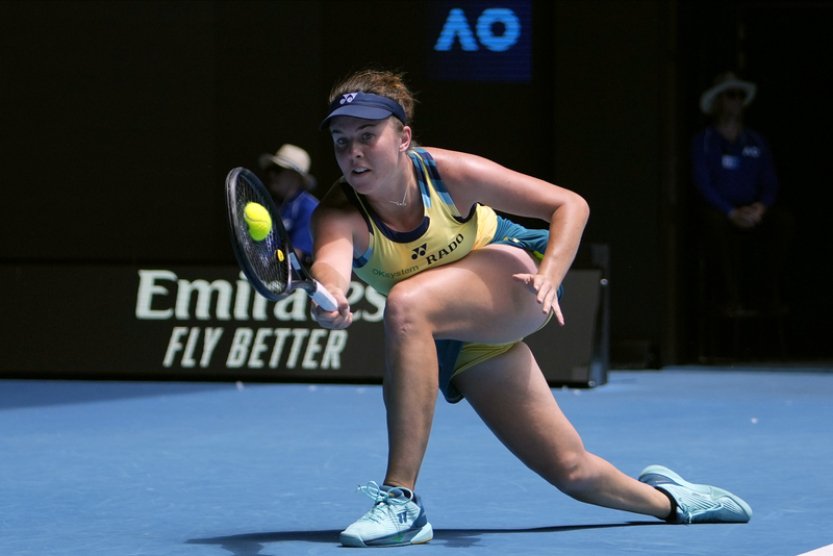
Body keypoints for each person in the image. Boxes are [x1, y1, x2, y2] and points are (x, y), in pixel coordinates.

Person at [310, 69, 752, 548]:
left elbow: (570, 205)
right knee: (571, 469)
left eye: (367, 136)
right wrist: (329, 302)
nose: (353, 152)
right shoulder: (338, 213)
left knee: (405, 304)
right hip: (458, 334)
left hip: (514, 279)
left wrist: (551, 275)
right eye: (341, 141)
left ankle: (400, 501)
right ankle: (673, 500)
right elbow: (331, 270)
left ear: (404, 138)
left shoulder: (449, 174)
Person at [692, 71, 793, 315]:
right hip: (722, 211)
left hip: (752, 209)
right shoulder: (704, 141)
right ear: (718, 101)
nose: (736, 100)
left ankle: (767, 296)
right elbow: (703, 183)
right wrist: (730, 212)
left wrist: (760, 207)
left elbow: (770, 182)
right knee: (712, 226)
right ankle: (729, 299)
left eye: (739, 95)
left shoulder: (755, 142)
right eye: (730, 95)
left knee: (783, 222)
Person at [258, 143, 319, 265]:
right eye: (271, 169)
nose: (272, 175)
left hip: (300, 280)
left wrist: (266, 265)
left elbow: (296, 258)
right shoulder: (272, 204)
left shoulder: (308, 208)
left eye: (278, 170)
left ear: (296, 176)